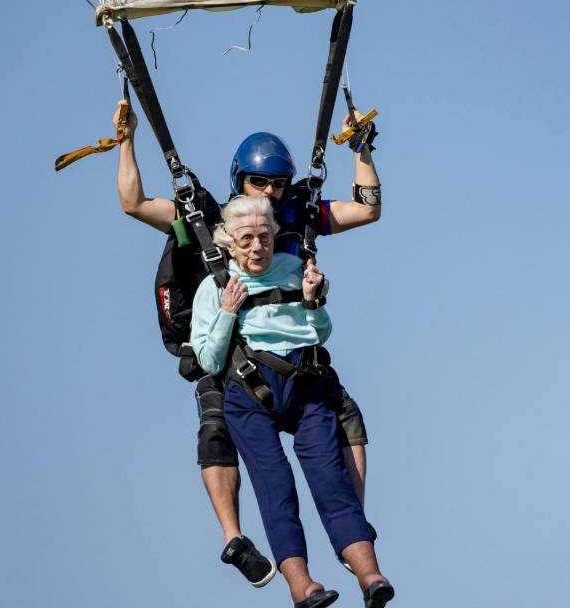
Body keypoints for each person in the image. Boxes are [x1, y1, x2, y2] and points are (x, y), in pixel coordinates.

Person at [114, 101, 383, 585]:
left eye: (278, 183)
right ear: (240, 180)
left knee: (347, 417)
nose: (270, 192)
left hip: (292, 352)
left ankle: (349, 528)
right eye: (260, 182)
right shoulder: (210, 220)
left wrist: (362, 150)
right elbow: (134, 204)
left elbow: (366, 209)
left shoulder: (296, 218)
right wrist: (127, 141)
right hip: (227, 352)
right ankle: (234, 539)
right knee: (216, 430)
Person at [190, 196, 393, 608]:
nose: (256, 247)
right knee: (276, 486)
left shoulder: (294, 270)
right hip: (248, 394)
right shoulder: (214, 287)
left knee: (330, 478)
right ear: (229, 241)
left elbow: (320, 332)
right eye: (246, 239)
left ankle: (370, 575)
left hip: (304, 384)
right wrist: (228, 312)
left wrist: (314, 300)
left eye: (264, 237)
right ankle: (302, 586)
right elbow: (209, 361)